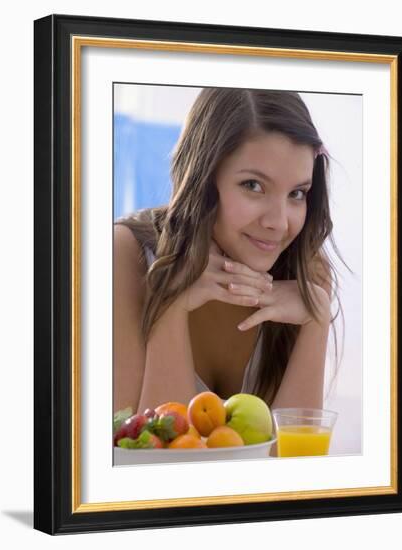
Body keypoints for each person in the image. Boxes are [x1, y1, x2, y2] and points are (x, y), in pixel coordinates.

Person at [113, 87, 341, 415]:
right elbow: (144, 453)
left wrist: (316, 321)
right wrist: (170, 305)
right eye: (253, 186)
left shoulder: (307, 271)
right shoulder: (124, 255)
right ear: (203, 179)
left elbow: (292, 461)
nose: (279, 223)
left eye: (297, 193)